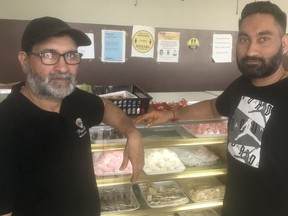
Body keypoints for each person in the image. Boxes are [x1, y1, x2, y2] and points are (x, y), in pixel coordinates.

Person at [134, 1, 288, 216]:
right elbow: (214, 108)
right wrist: (172, 114)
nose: (251, 49)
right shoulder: (242, 84)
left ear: (284, 43)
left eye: (264, 38)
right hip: (235, 205)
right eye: (244, 39)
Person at [0, 16, 144, 216]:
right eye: (49, 55)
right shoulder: (6, 126)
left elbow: (105, 106)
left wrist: (132, 132)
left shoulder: (73, 98)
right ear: (24, 61)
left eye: (71, 55)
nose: (63, 67)